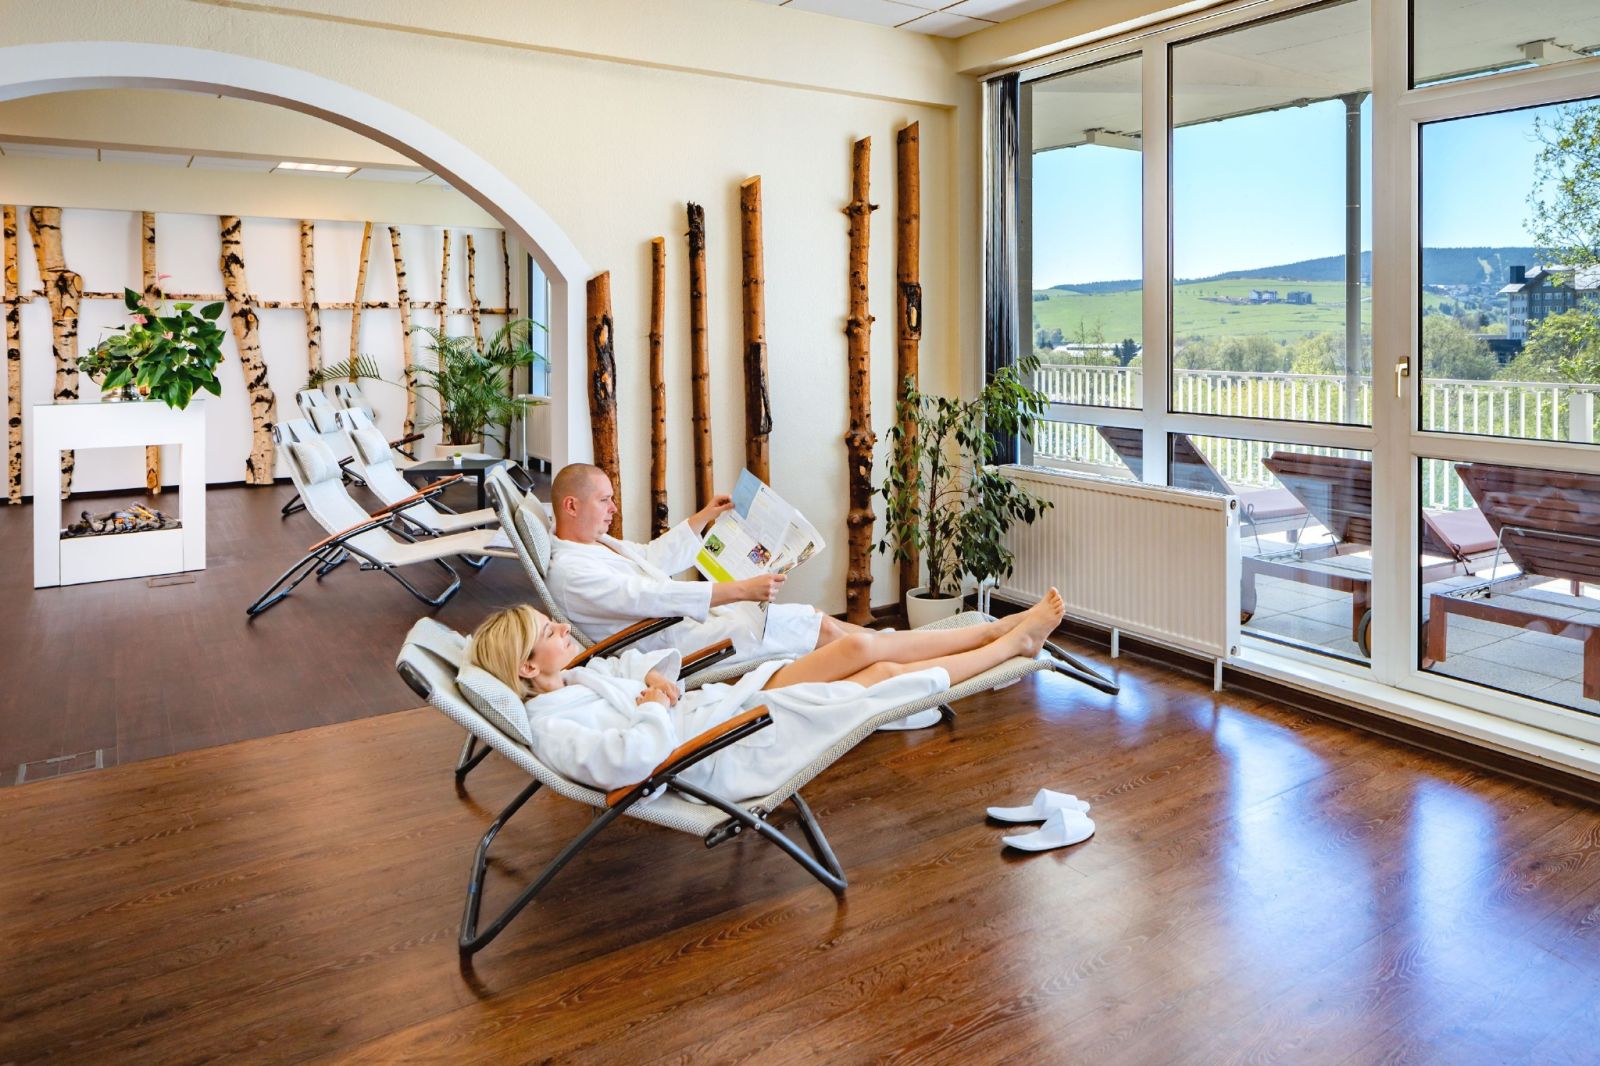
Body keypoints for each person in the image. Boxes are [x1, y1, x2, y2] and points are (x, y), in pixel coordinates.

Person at [467, 589, 1066, 802]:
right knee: (885, 682)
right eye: (552, 633)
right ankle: (1013, 646)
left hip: (727, 708)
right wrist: (653, 707)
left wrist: (653, 682)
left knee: (859, 649)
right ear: (525, 666)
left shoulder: (574, 680)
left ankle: (990, 628)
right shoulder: (552, 728)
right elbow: (629, 761)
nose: (565, 630)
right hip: (722, 749)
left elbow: (638, 667)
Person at [545, 463, 865, 663]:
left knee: (818, 616)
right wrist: (740, 590)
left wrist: (705, 516)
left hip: (686, 626)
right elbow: (652, 596)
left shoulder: (596, 544)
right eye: (604, 500)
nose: (613, 508)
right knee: (817, 626)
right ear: (571, 506)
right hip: (673, 646)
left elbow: (650, 556)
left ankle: (887, 643)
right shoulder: (571, 572)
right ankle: (888, 664)